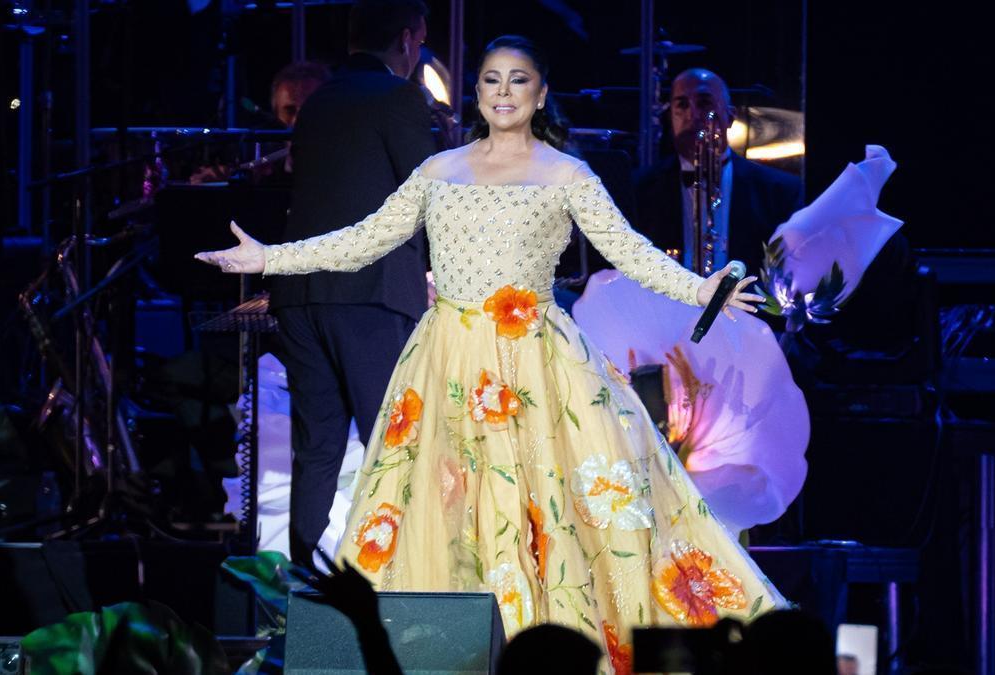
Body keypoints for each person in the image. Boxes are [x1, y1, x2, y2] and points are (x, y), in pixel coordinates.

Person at [196, 34, 784, 666]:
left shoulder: (566, 175)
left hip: (534, 362)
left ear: (540, 93)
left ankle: (544, 650)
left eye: (518, 80)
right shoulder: (438, 172)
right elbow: (362, 240)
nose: (504, 92)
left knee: (548, 506)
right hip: (447, 360)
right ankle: (435, 657)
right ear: (476, 93)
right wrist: (269, 259)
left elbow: (629, 250)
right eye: (492, 80)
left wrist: (702, 289)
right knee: (443, 505)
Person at [266, 0, 435, 570]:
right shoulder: (400, 97)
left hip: (301, 296)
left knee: (316, 450)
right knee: (391, 446)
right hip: (371, 294)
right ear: (410, 40)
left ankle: (305, 591)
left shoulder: (319, 100)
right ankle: (396, 587)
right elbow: (428, 194)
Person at [634, 68, 804, 275]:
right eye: (682, 105)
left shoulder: (780, 193)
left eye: (704, 103)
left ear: (730, 116)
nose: (692, 115)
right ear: (670, 117)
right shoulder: (638, 190)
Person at [188, 60, 330, 184]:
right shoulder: (264, 169)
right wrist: (227, 180)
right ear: (276, 114)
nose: (299, 120)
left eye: (310, 108)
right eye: (289, 110)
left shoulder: (346, 165)